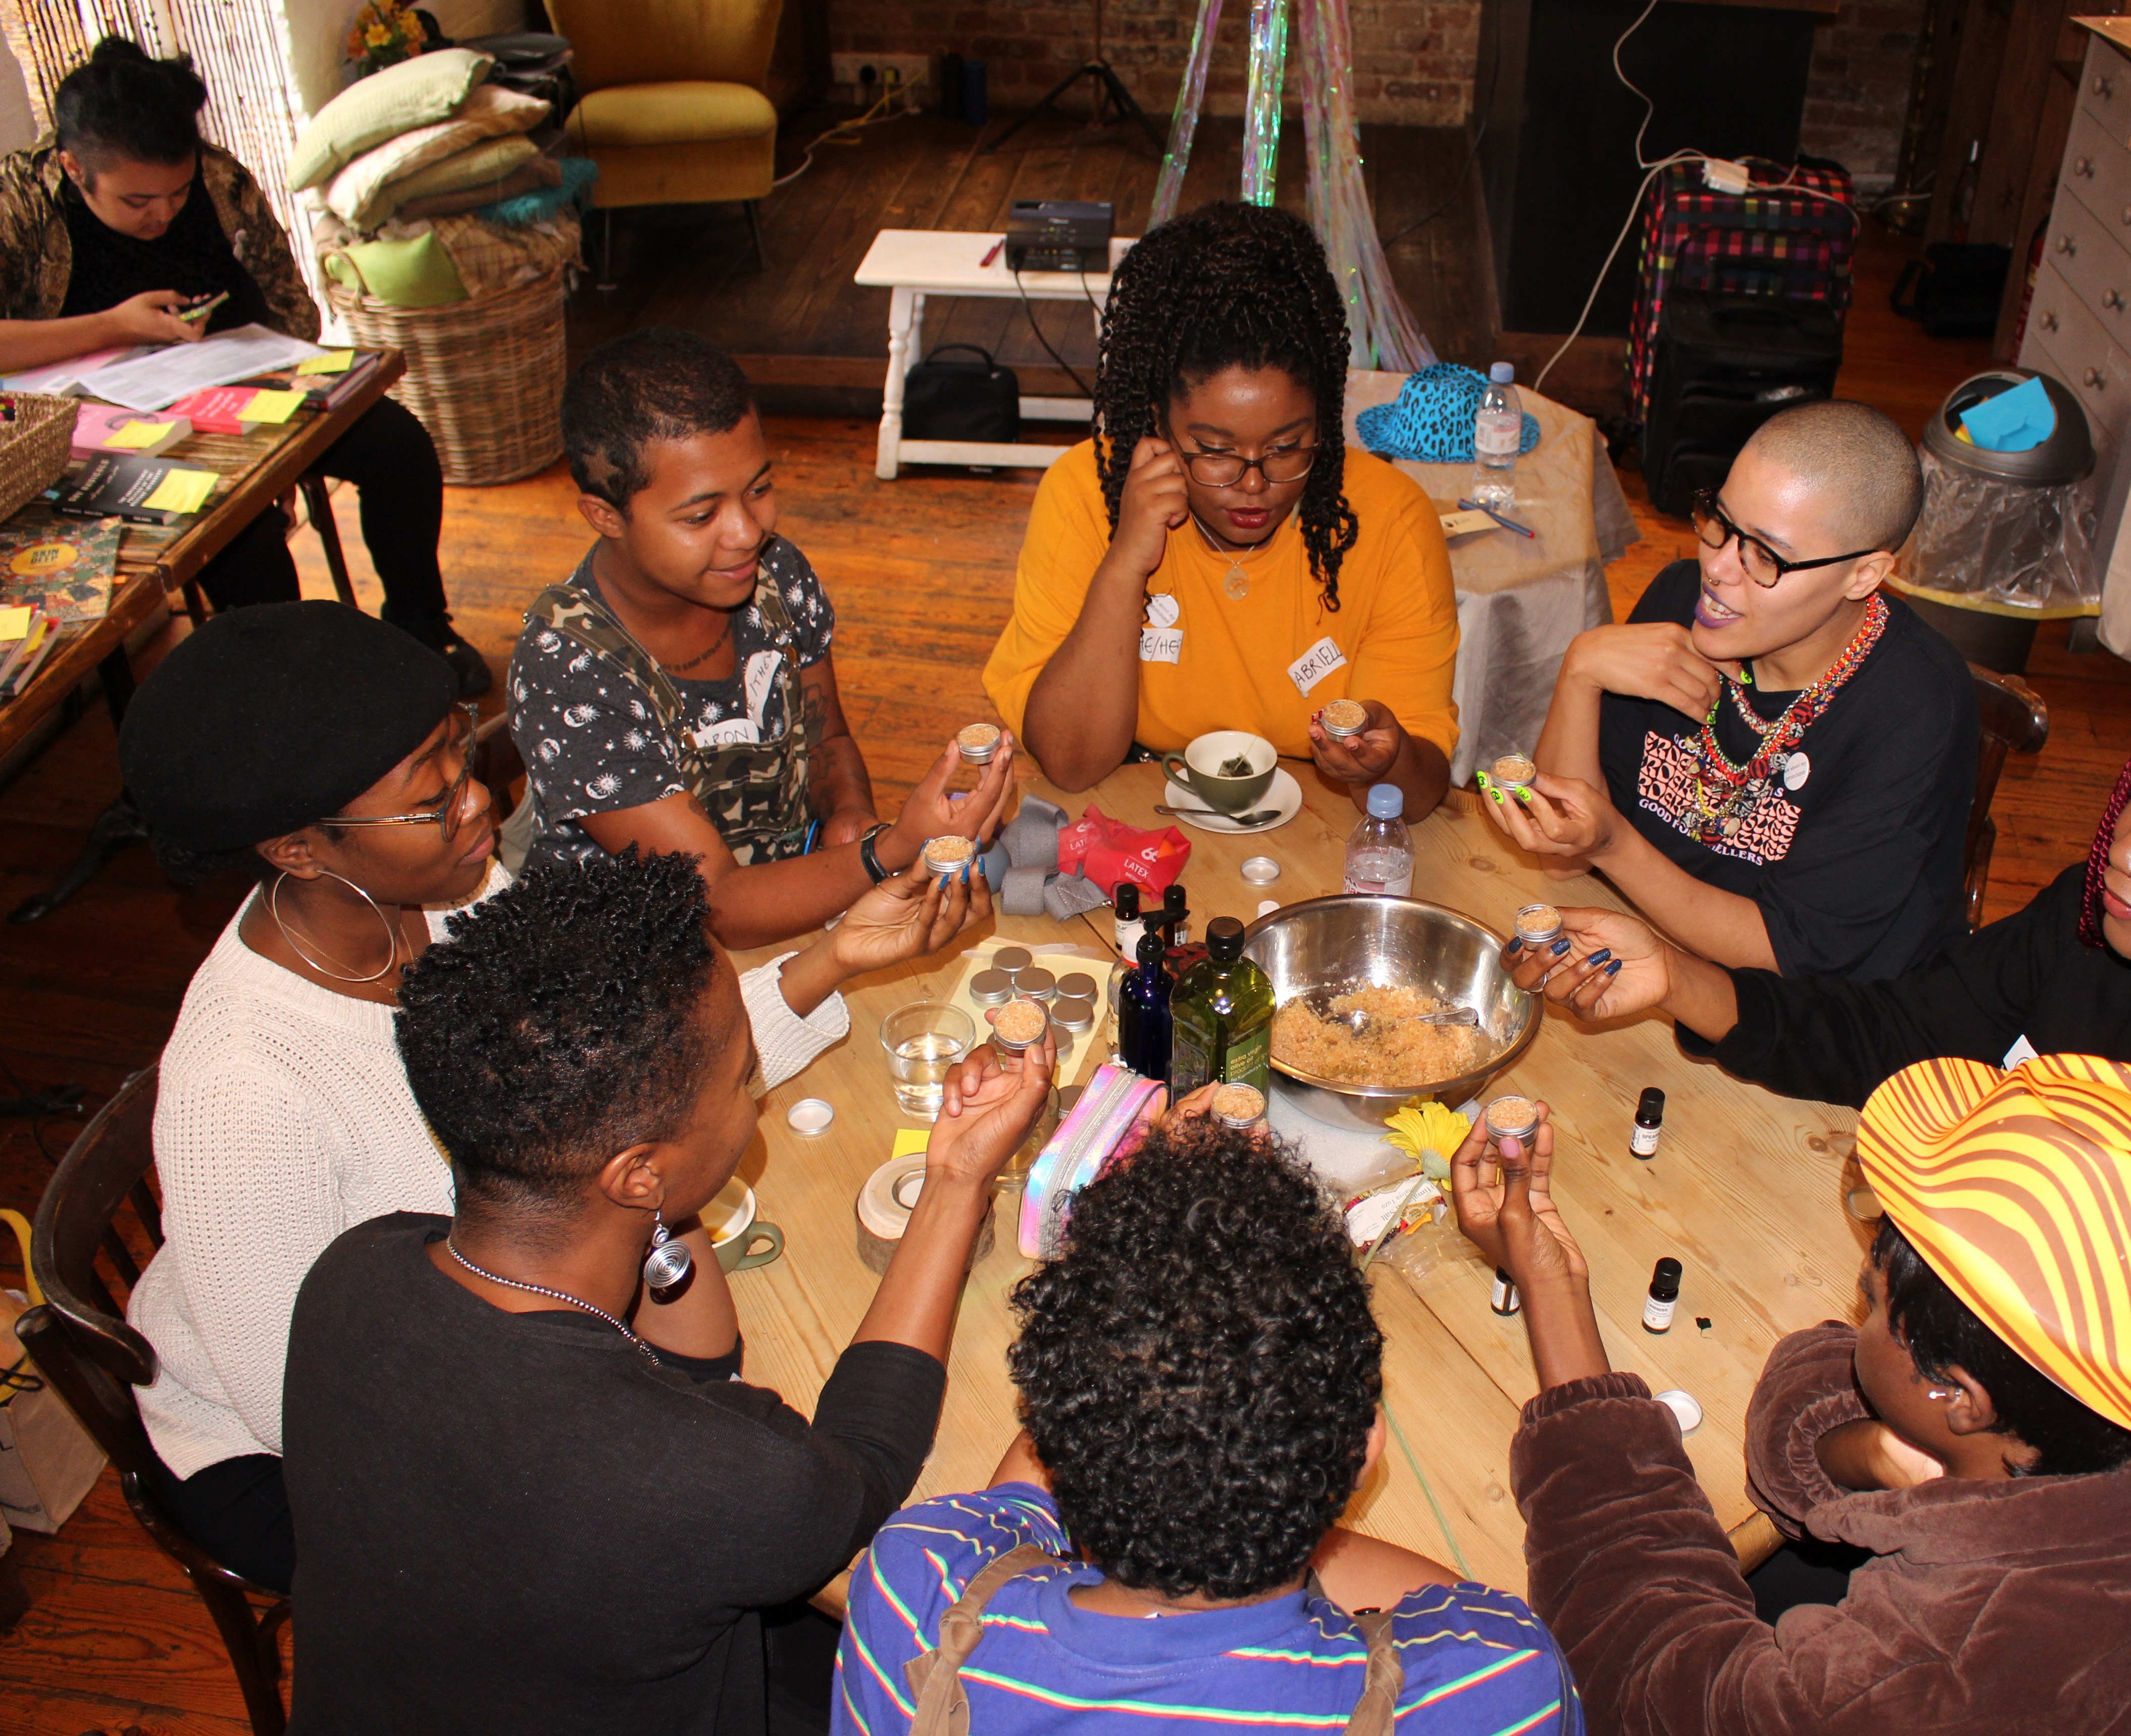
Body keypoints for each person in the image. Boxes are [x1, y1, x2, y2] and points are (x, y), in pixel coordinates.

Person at [115, 601, 983, 1594]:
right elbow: (298, 1401)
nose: (478, 808)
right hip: (322, 1454)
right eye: (429, 800)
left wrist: (831, 957)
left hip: (529, 1310)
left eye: (461, 756)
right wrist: (606, 1385)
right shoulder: (241, 1090)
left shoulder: (452, 898)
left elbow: (626, 1065)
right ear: (299, 848)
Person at [1510, 665, 2131, 1575]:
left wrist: (1952, 1503)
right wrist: (1678, 980)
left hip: (2070, 1530)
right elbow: (1900, 1032)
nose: (2123, 852)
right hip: (1957, 1386)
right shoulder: (2097, 922)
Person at [281, 849, 1052, 1736]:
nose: (754, 1095)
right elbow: (861, 1470)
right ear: (636, 1171)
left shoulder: (353, 1274)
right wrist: (953, 1183)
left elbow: (696, 1361)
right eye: (740, 1076)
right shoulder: (700, 1479)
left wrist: (661, 1204)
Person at [1456, 1055, 2131, 1736]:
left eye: (1868, 1301)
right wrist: (1866, 1454)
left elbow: (1642, 1686)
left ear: (1960, 1398)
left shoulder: (1928, 1683)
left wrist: (1551, 1286)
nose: (1853, 1309)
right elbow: (1820, 1406)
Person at [835, 1103, 1580, 1736]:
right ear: (1366, 1452)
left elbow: (1020, 1508)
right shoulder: (1490, 1693)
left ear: (1054, 1428)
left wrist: (1135, 1252)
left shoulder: (913, 1594)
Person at [0, 37, 488, 694]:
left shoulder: (219, 181)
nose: (163, 214)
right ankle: (300, 694)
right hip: (107, 432)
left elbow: (291, 306)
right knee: (243, 539)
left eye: (176, 193)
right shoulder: (22, 206)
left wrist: (269, 396)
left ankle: (420, 622)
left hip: (243, 387)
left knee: (399, 446)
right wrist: (117, 327)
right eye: (137, 202)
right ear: (73, 167)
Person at [509, 328, 1013, 948]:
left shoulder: (774, 576)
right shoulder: (568, 673)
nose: (748, 530)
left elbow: (825, 736)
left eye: (760, 489)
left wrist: (848, 814)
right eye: (701, 516)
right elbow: (716, 903)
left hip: (785, 907)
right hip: (631, 970)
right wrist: (891, 849)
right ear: (605, 515)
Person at [983, 202, 1460, 815]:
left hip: (1319, 836)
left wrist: (1385, 760)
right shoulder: (1085, 493)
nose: (1254, 484)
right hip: (1137, 821)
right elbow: (1073, 764)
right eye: (1214, 451)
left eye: (1288, 447)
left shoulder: (1389, 520)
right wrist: (1126, 563)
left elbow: (1418, 796)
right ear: (1157, 420)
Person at [1480, 402, 1974, 978]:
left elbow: (1787, 952)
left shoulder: (1916, 709)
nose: (1717, 568)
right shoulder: (1677, 602)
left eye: (1766, 556)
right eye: (1720, 522)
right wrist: (1580, 670)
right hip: (1642, 947)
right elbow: (1561, 862)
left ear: (1863, 574)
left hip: (1809, 1019)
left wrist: (1611, 846)